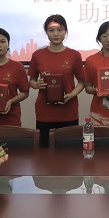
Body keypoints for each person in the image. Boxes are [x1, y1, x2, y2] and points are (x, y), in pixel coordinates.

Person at [28, 15, 85, 148]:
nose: (56, 34)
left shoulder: (74, 55)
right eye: (51, 30)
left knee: (68, 152)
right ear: (46, 32)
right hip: (45, 112)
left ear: (65, 31)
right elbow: (32, 80)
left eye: (60, 30)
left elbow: (82, 82)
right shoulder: (38, 55)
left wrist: (72, 94)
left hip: (68, 111)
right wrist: (37, 85)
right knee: (44, 151)